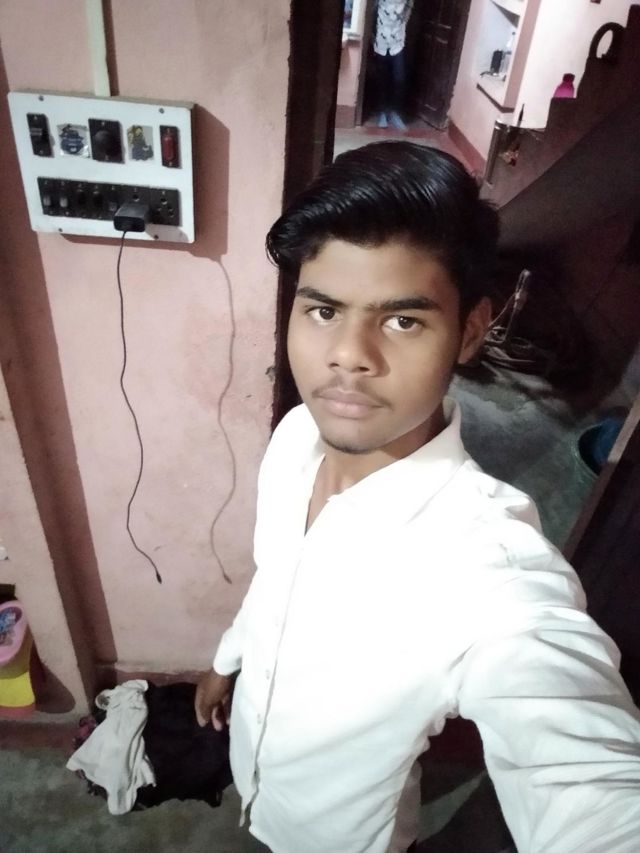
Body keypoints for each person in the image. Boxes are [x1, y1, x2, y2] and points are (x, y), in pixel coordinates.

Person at [195, 141, 640, 853]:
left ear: (469, 331)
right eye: (323, 310)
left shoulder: (488, 566)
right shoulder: (296, 435)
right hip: (256, 786)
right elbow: (276, 576)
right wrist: (228, 661)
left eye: (402, 320)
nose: (349, 354)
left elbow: (582, 771)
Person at [373, 0, 413, 130]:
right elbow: (373, 10)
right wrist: (371, 35)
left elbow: (410, 4)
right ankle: (382, 112)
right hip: (381, 39)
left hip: (398, 40)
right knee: (382, 78)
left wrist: (405, 18)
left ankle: (395, 112)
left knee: (399, 78)